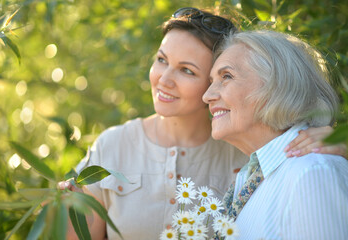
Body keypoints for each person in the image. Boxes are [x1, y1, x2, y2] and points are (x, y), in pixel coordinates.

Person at [61, 8, 346, 240]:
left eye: (187, 70)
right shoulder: (112, 145)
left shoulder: (257, 158)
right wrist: (61, 211)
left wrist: (339, 144)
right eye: (161, 60)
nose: (164, 79)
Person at [203, 30, 348, 239]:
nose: (206, 96)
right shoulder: (250, 177)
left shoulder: (311, 172)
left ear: (277, 84)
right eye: (211, 81)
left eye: (226, 76)